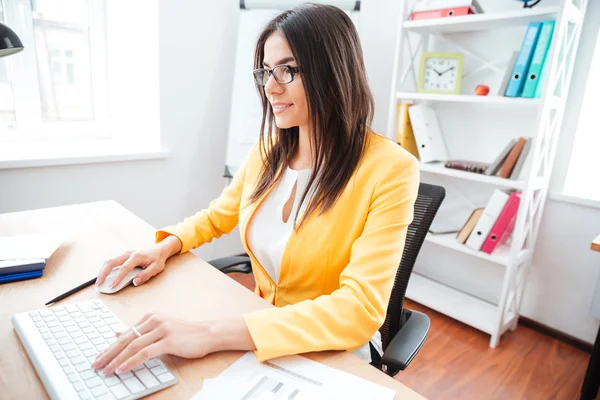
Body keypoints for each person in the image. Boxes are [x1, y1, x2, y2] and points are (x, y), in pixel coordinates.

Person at [91, 3, 419, 377]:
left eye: (287, 70)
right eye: (265, 71)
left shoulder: (390, 169)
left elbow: (359, 309)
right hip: (260, 331)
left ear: (333, 70)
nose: (270, 87)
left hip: (332, 352)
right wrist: (162, 247)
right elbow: (218, 215)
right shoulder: (268, 151)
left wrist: (207, 334)